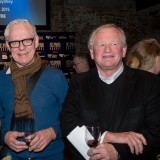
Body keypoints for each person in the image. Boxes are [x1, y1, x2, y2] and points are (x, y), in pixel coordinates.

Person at [60, 23, 160, 160]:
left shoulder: (150, 83)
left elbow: (156, 132)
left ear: (124, 50)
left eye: (114, 44)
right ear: (92, 53)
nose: (107, 50)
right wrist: (108, 136)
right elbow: (67, 123)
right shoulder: (78, 82)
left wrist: (117, 151)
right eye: (101, 44)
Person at [0, 19, 68, 160]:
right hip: (12, 157)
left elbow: (72, 119)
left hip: (51, 156)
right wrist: (4, 136)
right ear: (8, 45)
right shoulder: (1, 80)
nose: (21, 47)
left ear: (36, 41)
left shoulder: (56, 77)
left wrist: (52, 132)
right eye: (15, 42)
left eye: (27, 40)